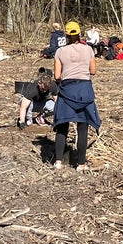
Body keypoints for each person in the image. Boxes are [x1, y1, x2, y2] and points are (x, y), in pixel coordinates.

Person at [53, 21, 100, 171]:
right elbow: (93, 71)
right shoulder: (88, 50)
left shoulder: (60, 52)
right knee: (83, 126)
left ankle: (58, 162)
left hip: (67, 90)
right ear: (79, 34)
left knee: (62, 125)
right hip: (84, 90)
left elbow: (57, 76)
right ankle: (81, 164)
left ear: (66, 35)